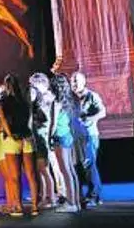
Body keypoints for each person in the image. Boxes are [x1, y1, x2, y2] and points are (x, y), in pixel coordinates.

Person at [0, 74, 39, 217]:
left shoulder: (2, 102)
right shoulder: (24, 100)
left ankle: (18, 207)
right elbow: (29, 118)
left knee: (15, 176)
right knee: (31, 174)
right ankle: (34, 206)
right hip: (27, 136)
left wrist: (10, 134)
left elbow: (3, 120)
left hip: (12, 139)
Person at [71, 72, 106, 206]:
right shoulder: (70, 97)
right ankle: (79, 195)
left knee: (89, 164)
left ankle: (94, 196)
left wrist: (89, 118)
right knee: (77, 165)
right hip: (75, 136)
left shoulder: (91, 96)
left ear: (84, 82)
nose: (74, 84)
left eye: (76, 81)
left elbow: (102, 112)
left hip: (89, 135)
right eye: (72, 81)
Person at [49, 74, 81, 213]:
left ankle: (71, 203)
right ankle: (76, 201)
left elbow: (53, 123)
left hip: (59, 137)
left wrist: (49, 137)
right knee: (71, 170)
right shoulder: (70, 101)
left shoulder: (56, 102)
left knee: (65, 170)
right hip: (67, 135)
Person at [29, 73, 56, 209]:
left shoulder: (47, 98)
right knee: (40, 169)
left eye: (34, 85)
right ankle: (44, 195)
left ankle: (51, 197)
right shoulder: (38, 101)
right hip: (37, 136)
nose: (31, 88)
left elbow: (47, 119)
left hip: (43, 137)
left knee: (45, 169)